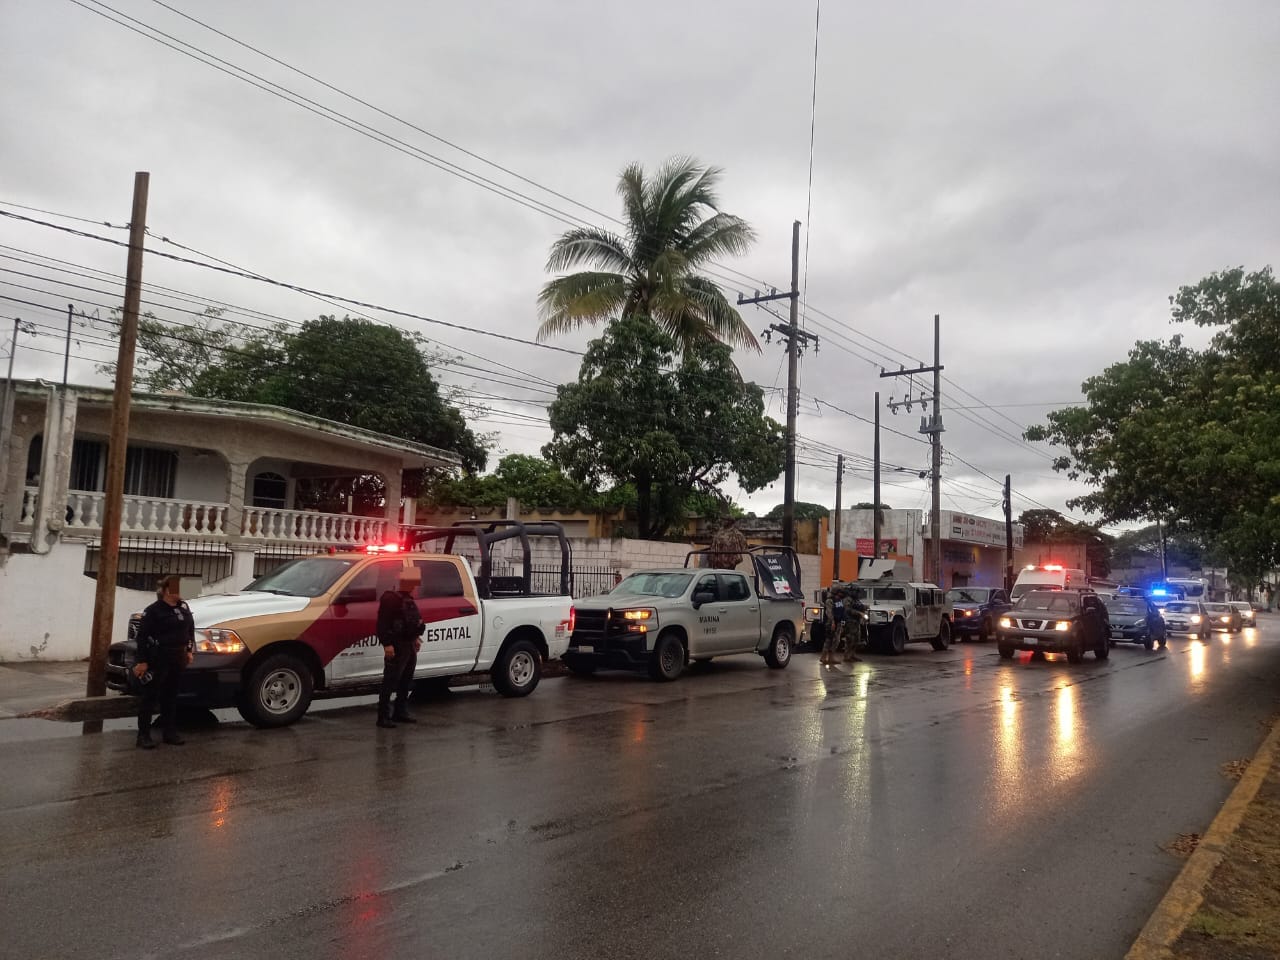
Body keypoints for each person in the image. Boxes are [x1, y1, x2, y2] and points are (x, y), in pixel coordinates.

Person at [132, 574, 195, 749]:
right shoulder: (153, 611)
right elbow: (142, 637)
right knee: (150, 697)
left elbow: (190, 631)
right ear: (167, 590)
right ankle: (143, 735)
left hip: (177, 658)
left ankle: (169, 732)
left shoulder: (184, 609)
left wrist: (189, 650)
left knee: (171, 697)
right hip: (158, 658)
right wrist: (142, 661)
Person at [375, 565, 425, 729]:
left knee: (406, 680)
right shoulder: (390, 598)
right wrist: (387, 644)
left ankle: (400, 711)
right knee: (390, 680)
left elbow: (411, 621)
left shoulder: (408, 598)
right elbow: (382, 624)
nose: (414, 588)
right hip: (396, 645)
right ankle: (383, 717)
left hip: (408, 644)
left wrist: (416, 638)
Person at [821, 586, 847, 665]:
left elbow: (842, 611)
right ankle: (823, 657)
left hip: (838, 622)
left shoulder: (840, 600)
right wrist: (832, 622)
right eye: (840, 592)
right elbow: (829, 612)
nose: (841, 594)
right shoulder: (830, 600)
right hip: (831, 622)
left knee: (836, 641)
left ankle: (831, 657)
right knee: (829, 640)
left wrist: (842, 623)